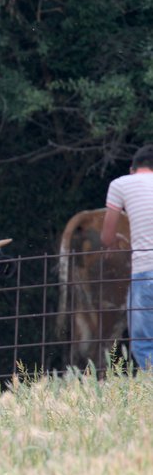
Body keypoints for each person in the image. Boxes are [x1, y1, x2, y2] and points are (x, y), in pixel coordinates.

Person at [102, 145, 153, 370]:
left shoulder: (120, 184)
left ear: (132, 168)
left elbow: (106, 236)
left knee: (143, 343)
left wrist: (115, 240)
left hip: (144, 269)